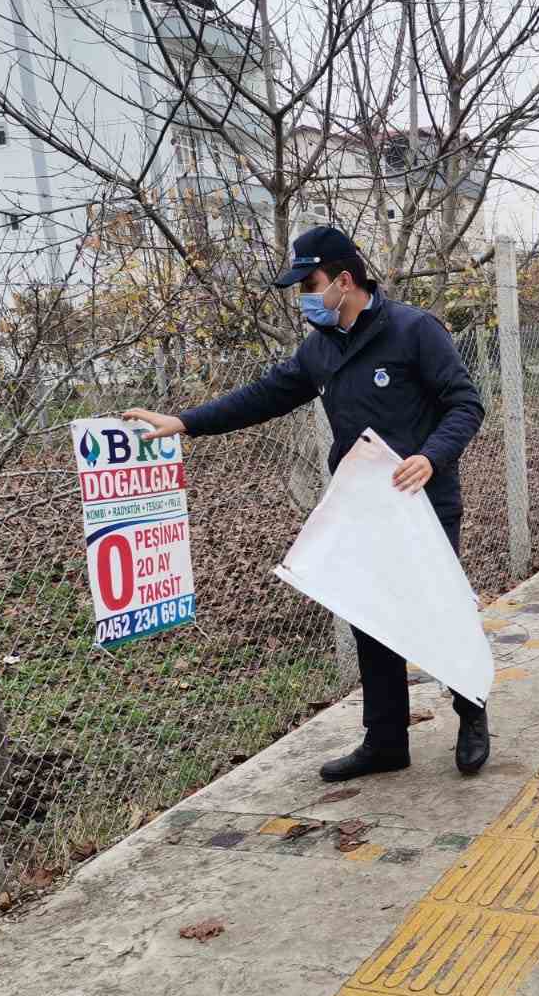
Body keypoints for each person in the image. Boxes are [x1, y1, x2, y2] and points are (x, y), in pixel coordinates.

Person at [123, 226, 490, 782]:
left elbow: (465, 403)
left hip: (423, 500)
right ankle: (386, 739)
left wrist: (433, 456)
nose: (304, 299)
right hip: (363, 506)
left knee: (439, 608)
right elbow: (263, 397)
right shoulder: (320, 350)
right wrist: (184, 423)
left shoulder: (414, 331)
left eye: (310, 285)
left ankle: (471, 715)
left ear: (344, 280)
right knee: (372, 616)